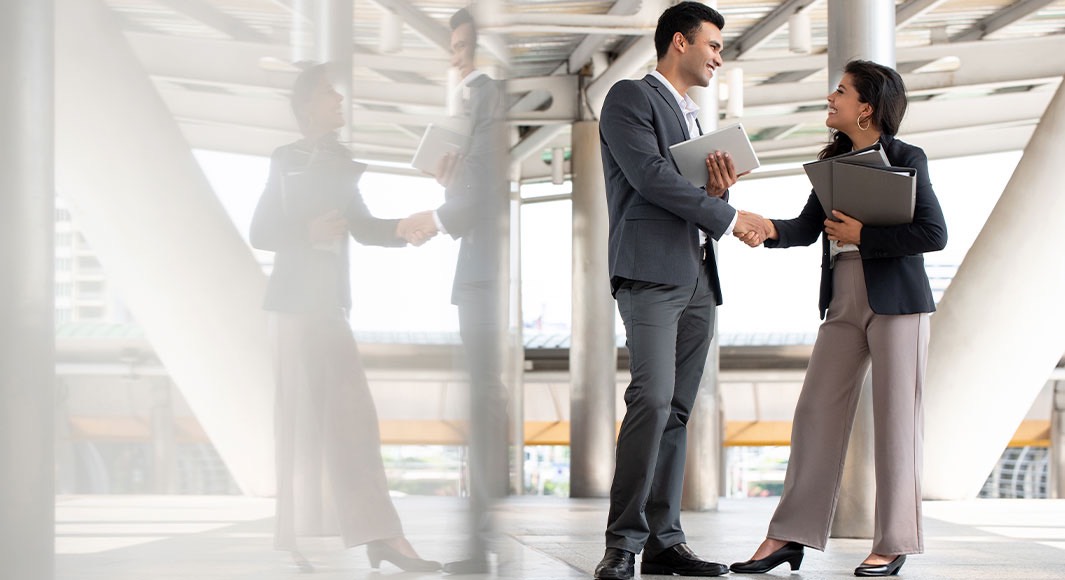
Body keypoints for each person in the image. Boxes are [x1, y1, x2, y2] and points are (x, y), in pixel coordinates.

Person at [729, 60, 947, 577]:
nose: (831, 97)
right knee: (814, 413)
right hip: (843, 300)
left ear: (866, 107)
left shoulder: (906, 158)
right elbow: (806, 228)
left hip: (898, 303)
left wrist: (863, 235)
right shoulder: (832, 163)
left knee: (897, 423)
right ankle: (789, 535)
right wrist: (765, 228)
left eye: (842, 91)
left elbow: (933, 233)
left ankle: (893, 542)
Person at [593, 3, 769, 579]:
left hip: (697, 275)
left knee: (676, 411)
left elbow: (686, 191)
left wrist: (719, 193)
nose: (719, 56)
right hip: (650, 271)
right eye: (713, 45)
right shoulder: (630, 97)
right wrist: (730, 217)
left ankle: (664, 541)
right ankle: (623, 542)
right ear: (679, 42)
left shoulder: (693, 117)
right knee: (651, 399)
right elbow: (650, 177)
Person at [249, 63, 440, 574]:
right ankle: (298, 541)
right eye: (329, 93)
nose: (338, 100)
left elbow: (364, 227)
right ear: (308, 104)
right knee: (294, 425)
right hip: (290, 305)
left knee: (354, 422)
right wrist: (306, 233)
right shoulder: (285, 159)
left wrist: (404, 228)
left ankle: (382, 536)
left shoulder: (342, 164)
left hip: (328, 306)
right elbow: (261, 232)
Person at [396, 7, 510, 575]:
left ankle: (481, 535)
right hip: (479, 272)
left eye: (463, 47)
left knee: (483, 400)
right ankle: (480, 533)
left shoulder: (490, 96)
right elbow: (479, 182)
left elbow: (485, 192)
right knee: (482, 398)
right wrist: (452, 181)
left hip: (486, 275)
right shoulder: (479, 104)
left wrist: (440, 215)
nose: (457, 59)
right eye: (454, 49)